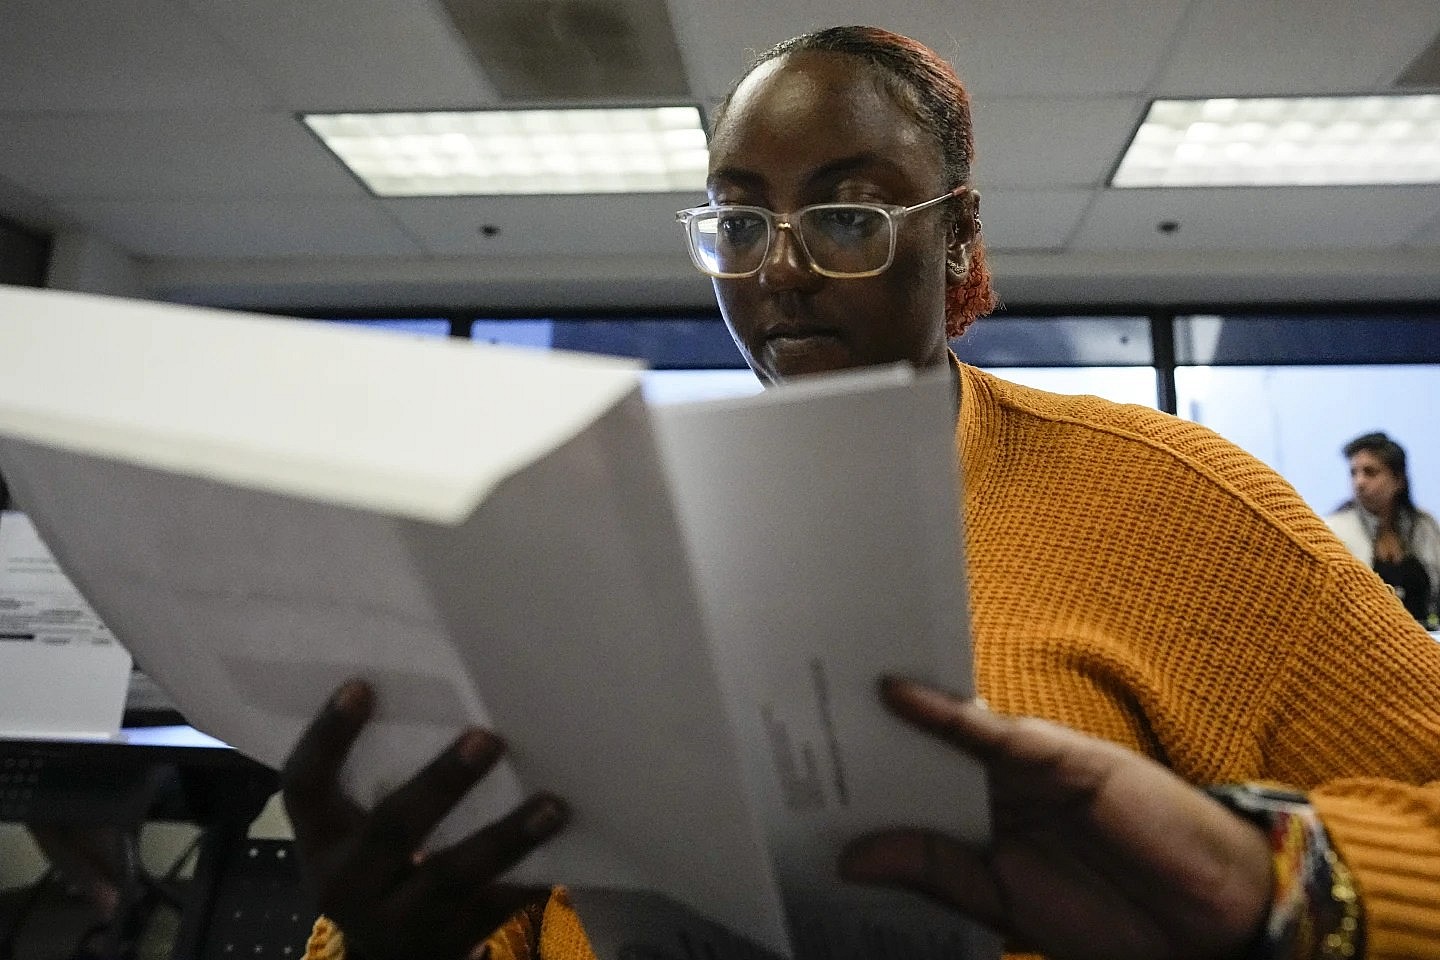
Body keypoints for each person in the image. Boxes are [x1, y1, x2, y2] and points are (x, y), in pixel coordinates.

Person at [282, 25, 1440, 960]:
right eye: (739, 221)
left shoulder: (1170, 506)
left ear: (959, 235)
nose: (779, 269)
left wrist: (1261, 881)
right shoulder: (605, 547)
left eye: (845, 215)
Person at [1326, 431, 1440, 629]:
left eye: (1370, 472)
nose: (1359, 482)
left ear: (1398, 480)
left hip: (1427, 642)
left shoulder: (1424, 526)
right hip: (1366, 641)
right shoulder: (1334, 530)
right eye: (1353, 472)